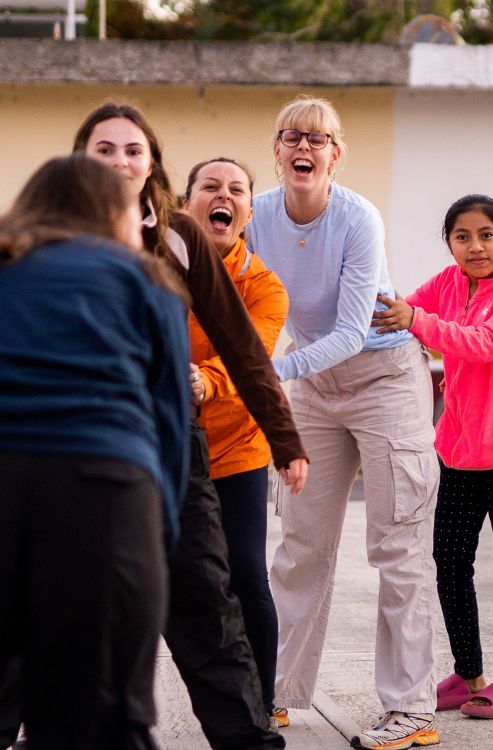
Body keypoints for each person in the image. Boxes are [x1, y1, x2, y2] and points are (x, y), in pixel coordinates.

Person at [75, 101, 309, 748]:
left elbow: (242, 344)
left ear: (151, 162)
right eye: (104, 149)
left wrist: (284, 437)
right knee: (66, 601)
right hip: (78, 443)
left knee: (210, 599)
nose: (120, 161)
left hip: (180, 444)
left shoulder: (180, 237)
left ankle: (251, 734)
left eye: (133, 150)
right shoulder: (51, 229)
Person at [245, 95, 439, 750]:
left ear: (336, 155)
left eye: (318, 138)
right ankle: (275, 691)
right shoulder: (256, 215)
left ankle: (411, 710)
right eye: (292, 136)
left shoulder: (358, 217)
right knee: (300, 542)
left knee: (397, 544)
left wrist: (269, 372)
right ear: (276, 150)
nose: (304, 147)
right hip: (313, 381)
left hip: (385, 377)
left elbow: (354, 331)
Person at [0, 154, 189, 749]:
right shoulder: (145, 279)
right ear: (115, 213)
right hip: (105, 494)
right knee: (105, 718)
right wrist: (157, 537)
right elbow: (170, 424)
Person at [372, 194, 493, 718]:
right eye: (462, 237)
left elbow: (484, 343)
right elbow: (399, 311)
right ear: (449, 243)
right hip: (456, 447)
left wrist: (415, 320)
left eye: (486, 235)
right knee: (449, 561)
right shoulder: (449, 282)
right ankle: (468, 673)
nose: (475, 247)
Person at [182, 157, 289, 722]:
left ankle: (261, 706)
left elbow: (252, 354)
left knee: (245, 573)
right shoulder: (155, 268)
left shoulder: (265, 287)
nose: (224, 196)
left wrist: (205, 380)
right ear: (186, 204)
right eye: (210, 186)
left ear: (248, 211)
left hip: (234, 448)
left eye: (237, 190)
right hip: (161, 442)